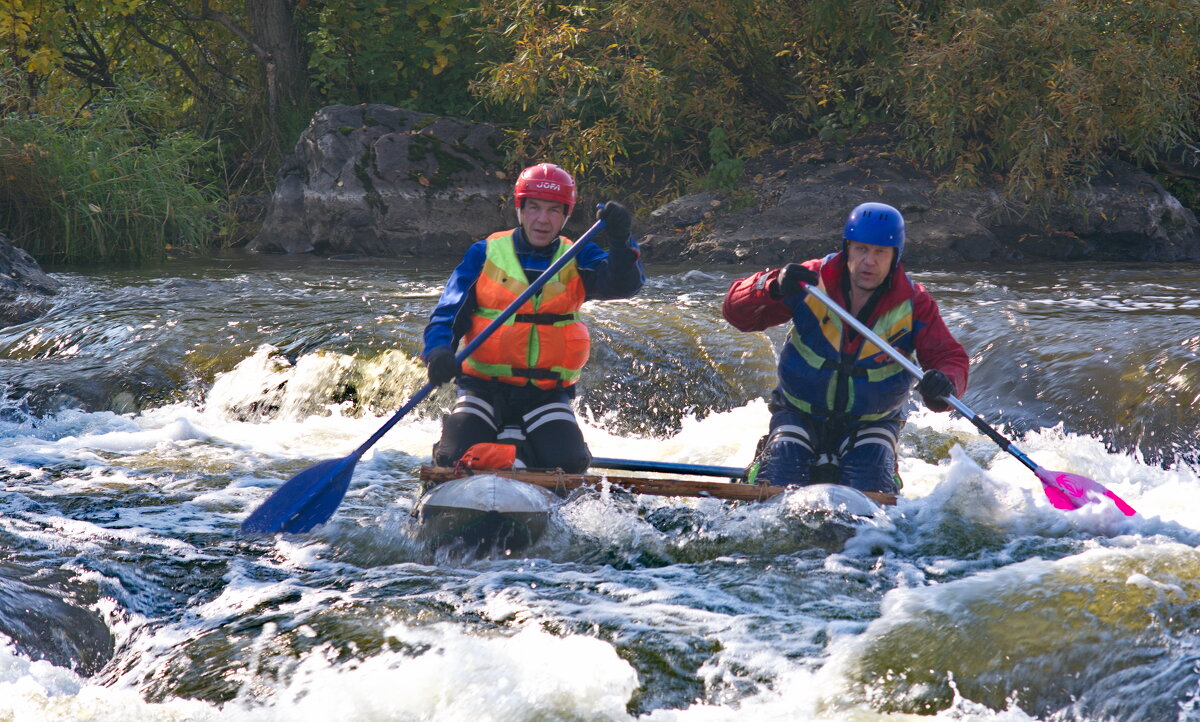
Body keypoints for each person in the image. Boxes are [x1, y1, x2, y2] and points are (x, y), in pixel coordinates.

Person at [722, 202, 968, 493]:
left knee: (869, 485)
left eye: (880, 252)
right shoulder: (809, 280)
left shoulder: (915, 303)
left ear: (895, 257)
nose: (869, 261)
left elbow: (949, 357)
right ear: (847, 248)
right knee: (782, 472)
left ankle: (886, 475)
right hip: (799, 412)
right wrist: (770, 286)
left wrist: (946, 382)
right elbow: (736, 314)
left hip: (872, 422)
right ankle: (764, 467)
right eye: (861, 249)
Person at [421, 162, 644, 472]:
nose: (542, 219)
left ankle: (522, 455)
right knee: (451, 458)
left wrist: (621, 240)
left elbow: (625, 284)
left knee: (570, 462)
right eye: (534, 208)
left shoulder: (580, 255)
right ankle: (482, 451)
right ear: (520, 209)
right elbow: (447, 313)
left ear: (567, 215)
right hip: (484, 389)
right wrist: (438, 352)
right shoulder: (483, 253)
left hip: (545, 395)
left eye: (554, 210)